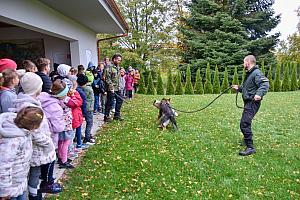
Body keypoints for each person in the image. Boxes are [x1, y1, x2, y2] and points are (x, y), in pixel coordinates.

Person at [11, 72, 61, 198]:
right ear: (36, 88)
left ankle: (36, 192)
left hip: (36, 147)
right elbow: (34, 132)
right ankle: (35, 196)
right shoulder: (28, 106)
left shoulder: (29, 101)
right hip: (36, 147)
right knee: (34, 173)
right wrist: (47, 141)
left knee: (36, 174)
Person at [0, 106, 44, 200]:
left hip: (20, 181)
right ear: (33, 126)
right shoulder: (12, 141)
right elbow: (3, 166)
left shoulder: (25, 132)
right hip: (10, 187)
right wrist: (4, 191)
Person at [232, 55, 269, 156]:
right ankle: (246, 140)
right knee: (245, 122)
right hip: (248, 102)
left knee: (244, 123)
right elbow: (247, 88)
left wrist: (259, 94)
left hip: (253, 102)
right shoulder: (250, 74)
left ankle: (250, 147)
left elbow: (265, 83)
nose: (243, 64)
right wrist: (239, 88)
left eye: (244, 62)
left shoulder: (256, 73)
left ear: (248, 62)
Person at [103, 54, 124, 122]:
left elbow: (117, 78)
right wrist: (111, 87)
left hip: (117, 88)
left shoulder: (117, 67)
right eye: (118, 60)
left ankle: (117, 115)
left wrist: (119, 86)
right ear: (114, 59)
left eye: (120, 60)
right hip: (111, 88)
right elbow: (107, 78)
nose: (119, 61)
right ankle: (106, 116)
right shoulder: (108, 67)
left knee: (120, 100)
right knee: (110, 102)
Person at [77, 74, 95, 145]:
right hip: (89, 108)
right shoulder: (88, 89)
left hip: (82, 108)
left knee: (80, 123)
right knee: (89, 123)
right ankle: (87, 138)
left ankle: (78, 135)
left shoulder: (78, 89)